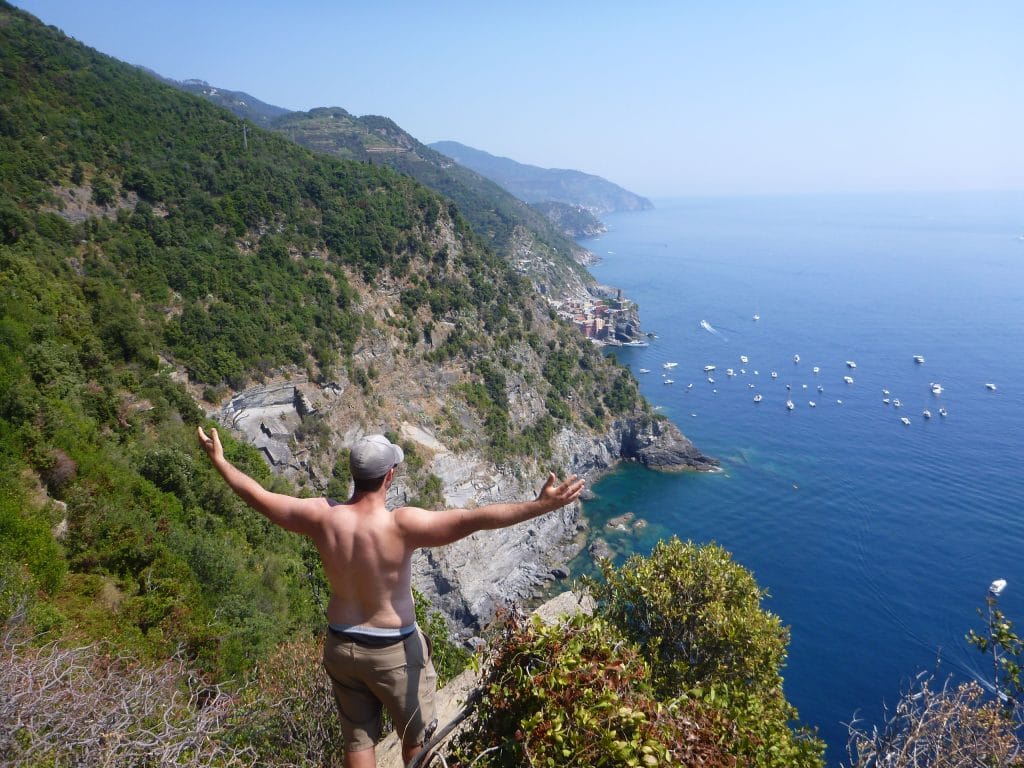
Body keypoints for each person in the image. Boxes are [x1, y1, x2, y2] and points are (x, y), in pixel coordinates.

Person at [197, 426, 584, 768]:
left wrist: (221, 461)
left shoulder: (322, 516)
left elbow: (259, 497)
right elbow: (475, 518)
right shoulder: (401, 525)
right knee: (418, 743)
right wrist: (540, 505)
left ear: (355, 475)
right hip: (394, 654)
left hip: (341, 646)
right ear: (390, 476)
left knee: (358, 741)